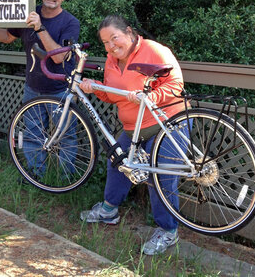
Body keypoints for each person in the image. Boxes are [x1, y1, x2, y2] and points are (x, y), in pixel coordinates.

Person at [79, 15, 189, 256]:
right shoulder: (111, 60)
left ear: (129, 32)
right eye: (105, 42)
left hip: (166, 123)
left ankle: (168, 231)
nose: (111, 46)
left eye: (114, 38)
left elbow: (175, 83)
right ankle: (109, 210)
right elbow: (114, 94)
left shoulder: (154, 50)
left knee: (161, 177)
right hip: (134, 129)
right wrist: (95, 86)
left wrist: (150, 97)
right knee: (117, 163)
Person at [0, 0, 80, 175]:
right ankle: (34, 176)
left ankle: (67, 179)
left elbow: (59, 58)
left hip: (61, 91)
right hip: (32, 88)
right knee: (32, 135)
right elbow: (6, 37)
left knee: (66, 137)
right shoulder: (27, 13)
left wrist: (39, 27)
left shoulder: (70, 22)